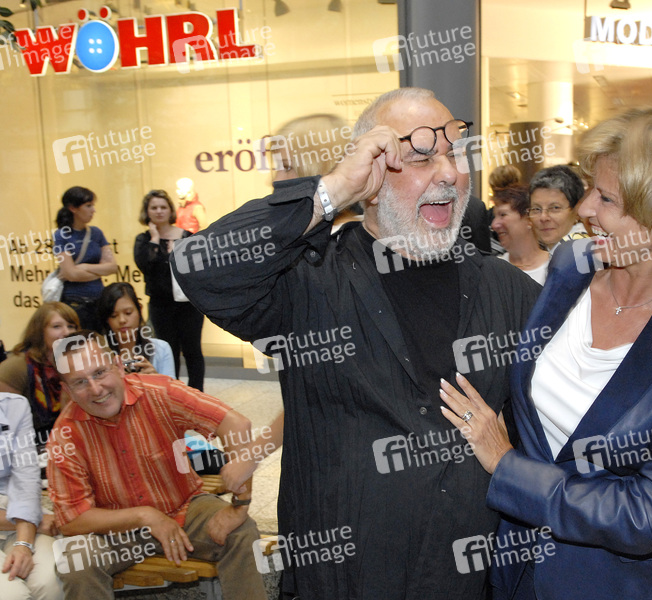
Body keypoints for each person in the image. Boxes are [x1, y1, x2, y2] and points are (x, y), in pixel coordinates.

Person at [173, 87, 541, 599]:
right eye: (421, 157)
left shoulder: (511, 293)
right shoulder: (308, 281)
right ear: (369, 178)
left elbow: (548, 435)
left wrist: (508, 463)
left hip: (464, 578)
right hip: (343, 578)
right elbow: (201, 268)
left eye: (456, 153)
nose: (449, 173)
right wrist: (331, 190)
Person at [439, 105, 652, 600]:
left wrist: (506, 466)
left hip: (612, 583)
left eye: (606, 198)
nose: (584, 209)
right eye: (590, 189)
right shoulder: (571, 265)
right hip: (516, 564)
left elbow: (647, 515)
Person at [46, 332, 265, 600]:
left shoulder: (160, 392)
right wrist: (145, 516)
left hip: (184, 507)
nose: (96, 389)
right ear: (67, 390)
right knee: (75, 562)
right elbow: (71, 520)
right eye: (80, 382)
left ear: (118, 365)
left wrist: (240, 505)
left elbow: (236, 425)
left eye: (100, 372)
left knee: (240, 531)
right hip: (113, 530)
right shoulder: (64, 435)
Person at [134, 189, 206, 390]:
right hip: (160, 306)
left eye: (163, 207)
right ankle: (173, 395)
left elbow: (198, 269)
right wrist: (155, 238)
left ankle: (197, 395)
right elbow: (145, 266)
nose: (159, 211)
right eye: (154, 207)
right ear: (147, 211)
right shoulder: (143, 240)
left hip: (189, 305)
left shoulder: (186, 236)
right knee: (168, 351)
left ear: (170, 210)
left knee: (193, 351)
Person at [0, 392, 63, 600]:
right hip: (18, 518)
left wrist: (24, 543)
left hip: (18, 512)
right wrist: (34, 520)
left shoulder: (13, 406)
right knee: (12, 595)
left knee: (52, 580)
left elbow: (26, 478)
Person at [0, 303, 79, 445]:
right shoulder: (16, 367)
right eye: (56, 326)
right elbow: (6, 426)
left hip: (65, 441)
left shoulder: (78, 364)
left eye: (71, 326)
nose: (66, 332)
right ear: (39, 331)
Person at [53, 187, 118, 331]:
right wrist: (99, 271)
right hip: (74, 303)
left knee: (100, 341)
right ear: (73, 208)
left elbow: (112, 267)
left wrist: (85, 267)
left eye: (93, 205)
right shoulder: (61, 235)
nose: (93, 210)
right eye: (88, 206)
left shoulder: (96, 233)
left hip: (99, 300)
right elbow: (71, 274)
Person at [96, 283, 175, 377]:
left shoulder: (161, 349)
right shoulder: (97, 354)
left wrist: (156, 379)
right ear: (106, 319)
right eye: (114, 316)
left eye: (128, 313)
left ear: (139, 310)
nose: (122, 320)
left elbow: (172, 386)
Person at [492, 185, 550, 285]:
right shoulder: (494, 270)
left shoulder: (556, 267)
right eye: (495, 216)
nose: (494, 225)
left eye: (503, 215)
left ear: (529, 218)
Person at [527, 165, 587, 255]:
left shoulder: (579, 252)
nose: (543, 217)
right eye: (536, 209)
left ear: (577, 211)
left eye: (555, 208)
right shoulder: (555, 251)